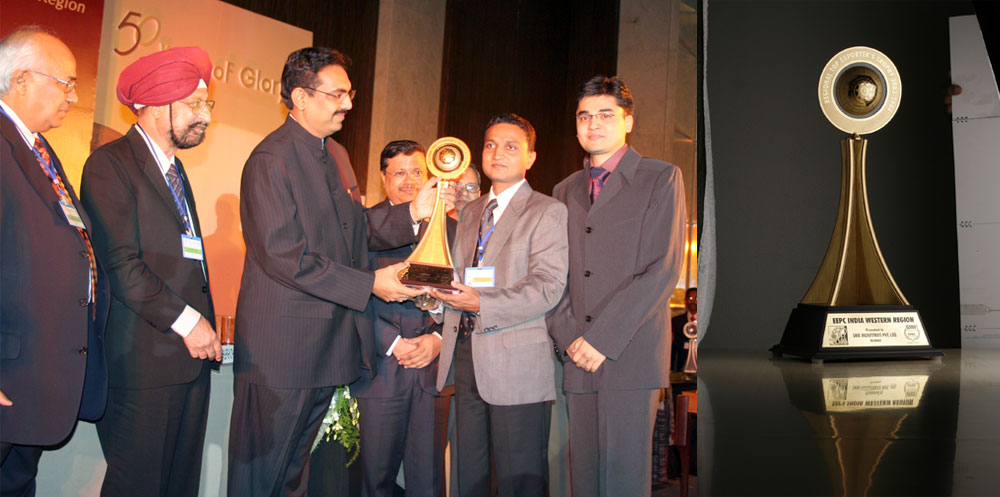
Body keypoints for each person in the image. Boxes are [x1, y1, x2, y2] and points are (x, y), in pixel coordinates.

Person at [228, 47, 445, 497]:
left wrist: (411, 214)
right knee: (262, 478)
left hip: (327, 350)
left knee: (293, 478)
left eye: (350, 94)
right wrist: (370, 284)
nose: (347, 104)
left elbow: (354, 230)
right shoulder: (271, 159)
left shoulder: (338, 154)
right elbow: (283, 255)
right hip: (282, 354)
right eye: (336, 94)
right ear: (300, 97)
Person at [79, 46, 222, 497]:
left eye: (206, 104)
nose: (206, 116)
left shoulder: (176, 172)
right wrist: (190, 322)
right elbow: (121, 265)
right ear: (157, 106)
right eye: (194, 104)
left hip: (186, 362)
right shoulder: (110, 164)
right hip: (143, 367)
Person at [547, 75, 686, 497]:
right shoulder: (564, 190)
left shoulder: (661, 177)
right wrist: (570, 337)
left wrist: (601, 340)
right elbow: (555, 275)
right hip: (577, 354)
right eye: (584, 116)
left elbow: (662, 268)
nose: (593, 124)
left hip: (630, 352)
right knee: (583, 479)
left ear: (628, 121)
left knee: (623, 479)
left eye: (605, 115)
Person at [431, 113, 568, 497]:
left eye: (511, 146)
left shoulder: (547, 210)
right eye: (490, 144)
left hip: (517, 363)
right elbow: (458, 274)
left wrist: (481, 302)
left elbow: (548, 286)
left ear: (531, 157)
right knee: (467, 476)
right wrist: (436, 299)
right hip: (465, 355)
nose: (497, 153)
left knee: (519, 480)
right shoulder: (471, 211)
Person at [0, 26, 109, 496]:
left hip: (34, 375)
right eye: (66, 83)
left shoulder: (39, 150)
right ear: (21, 79)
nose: (73, 96)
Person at [352, 140, 447, 497]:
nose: (410, 181)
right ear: (383, 177)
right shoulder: (361, 227)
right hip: (380, 371)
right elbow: (350, 293)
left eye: (418, 172)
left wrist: (438, 339)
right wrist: (391, 343)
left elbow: (466, 293)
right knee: (375, 480)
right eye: (400, 173)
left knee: (429, 480)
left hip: (432, 373)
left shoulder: (448, 227)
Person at [671, 287, 697, 372]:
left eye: (696, 298)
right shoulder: (676, 321)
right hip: (680, 368)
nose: (693, 301)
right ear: (685, 301)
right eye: (690, 298)